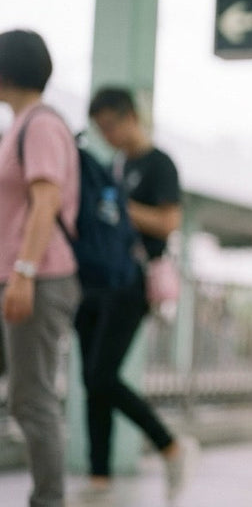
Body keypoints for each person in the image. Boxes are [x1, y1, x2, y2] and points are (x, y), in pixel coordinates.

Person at [80, 86, 198, 501]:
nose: (107, 135)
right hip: (96, 280)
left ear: (130, 116)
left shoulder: (158, 164)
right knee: (90, 379)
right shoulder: (112, 165)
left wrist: (116, 207)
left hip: (133, 281)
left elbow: (168, 223)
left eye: (110, 125)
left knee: (102, 375)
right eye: (100, 129)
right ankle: (99, 475)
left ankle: (169, 444)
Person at [0, 29, 82, 507]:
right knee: (26, 396)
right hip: (17, 277)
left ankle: (48, 501)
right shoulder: (18, 125)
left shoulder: (42, 125)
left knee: (33, 397)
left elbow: (46, 198)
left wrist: (25, 271)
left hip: (39, 277)